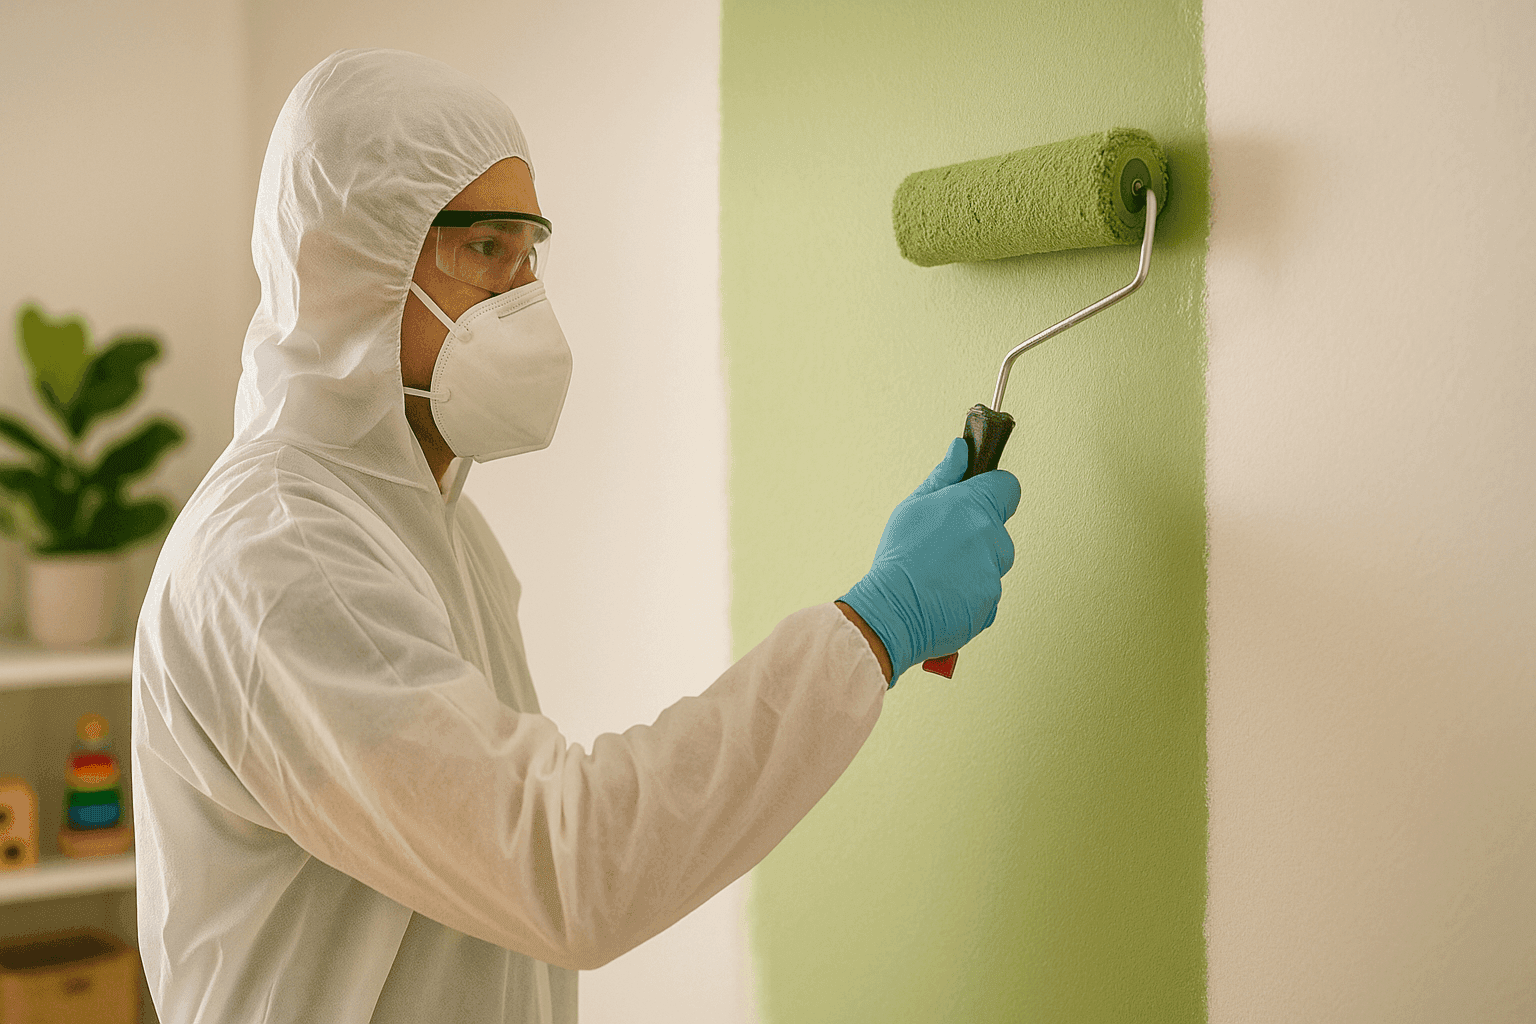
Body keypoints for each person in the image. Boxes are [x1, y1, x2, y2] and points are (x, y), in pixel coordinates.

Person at [131, 48, 1019, 1024]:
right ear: (341, 265)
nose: (525, 299)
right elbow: (565, 865)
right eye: (484, 252)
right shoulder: (278, 559)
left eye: (531, 254)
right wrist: (873, 625)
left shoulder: (442, 539)